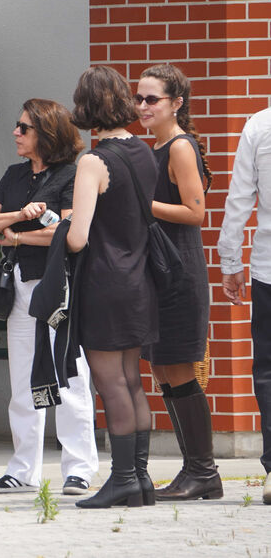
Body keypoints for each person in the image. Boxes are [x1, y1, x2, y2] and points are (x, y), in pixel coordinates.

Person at [0, 99, 98, 496]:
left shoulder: (71, 174)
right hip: (21, 287)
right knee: (22, 378)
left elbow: (68, 231)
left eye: (23, 127)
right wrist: (18, 216)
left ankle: (79, 468)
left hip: (57, 284)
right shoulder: (14, 175)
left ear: (46, 133)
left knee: (69, 375)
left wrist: (16, 236)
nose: (15, 132)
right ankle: (23, 468)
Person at [66, 66, 159, 509]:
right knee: (132, 380)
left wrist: (62, 222)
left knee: (110, 382)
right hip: (139, 278)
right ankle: (139, 478)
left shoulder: (93, 160)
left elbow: (79, 237)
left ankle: (123, 478)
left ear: (86, 107)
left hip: (104, 280)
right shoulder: (143, 150)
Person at [135, 64, 221, 501]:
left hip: (180, 273)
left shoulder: (180, 148)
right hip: (159, 272)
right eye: (140, 98)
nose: (143, 106)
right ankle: (196, 471)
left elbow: (195, 212)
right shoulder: (156, 146)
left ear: (176, 103)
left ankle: (203, 472)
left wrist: (140, 203)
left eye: (153, 99)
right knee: (165, 370)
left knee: (181, 369)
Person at [218, 106, 271, 505]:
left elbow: (239, 198)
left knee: (269, 370)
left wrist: (231, 263)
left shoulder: (259, 124)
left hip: (269, 266)